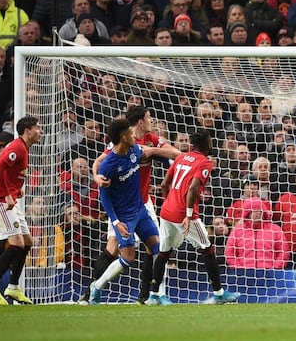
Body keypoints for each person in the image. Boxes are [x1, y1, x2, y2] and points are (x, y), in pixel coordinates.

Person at [79, 105, 181, 304]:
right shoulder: (119, 147)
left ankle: (151, 295)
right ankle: (91, 291)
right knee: (114, 250)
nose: (153, 121)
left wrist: (153, 151)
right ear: (140, 122)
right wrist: (97, 178)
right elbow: (99, 163)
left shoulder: (148, 141)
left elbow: (176, 154)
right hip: (121, 208)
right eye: (150, 117)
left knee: (157, 247)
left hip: (143, 203)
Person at [148, 130, 239, 305]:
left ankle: (153, 296)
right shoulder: (205, 163)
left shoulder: (181, 157)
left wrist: (170, 201)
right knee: (207, 248)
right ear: (207, 145)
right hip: (184, 214)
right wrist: (188, 215)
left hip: (167, 211)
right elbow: (193, 189)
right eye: (210, 142)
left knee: (164, 252)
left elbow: (164, 184)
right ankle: (219, 294)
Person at [88, 118, 162, 305]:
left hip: (140, 210)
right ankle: (97, 286)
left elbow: (154, 153)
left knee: (157, 249)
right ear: (123, 137)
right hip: (124, 216)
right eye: (130, 133)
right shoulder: (109, 165)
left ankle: (154, 295)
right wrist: (115, 222)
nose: (134, 136)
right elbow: (104, 198)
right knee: (128, 258)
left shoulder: (135, 150)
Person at [0, 116, 43, 305]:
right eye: (38, 128)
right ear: (27, 130)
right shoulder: (17, 147)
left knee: (27, 242)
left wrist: (17, 188)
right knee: (16, 243)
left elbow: (11, 172)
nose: (40, 131)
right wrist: (8, 194)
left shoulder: (23, 148)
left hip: (10, 199)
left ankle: (13, 287)